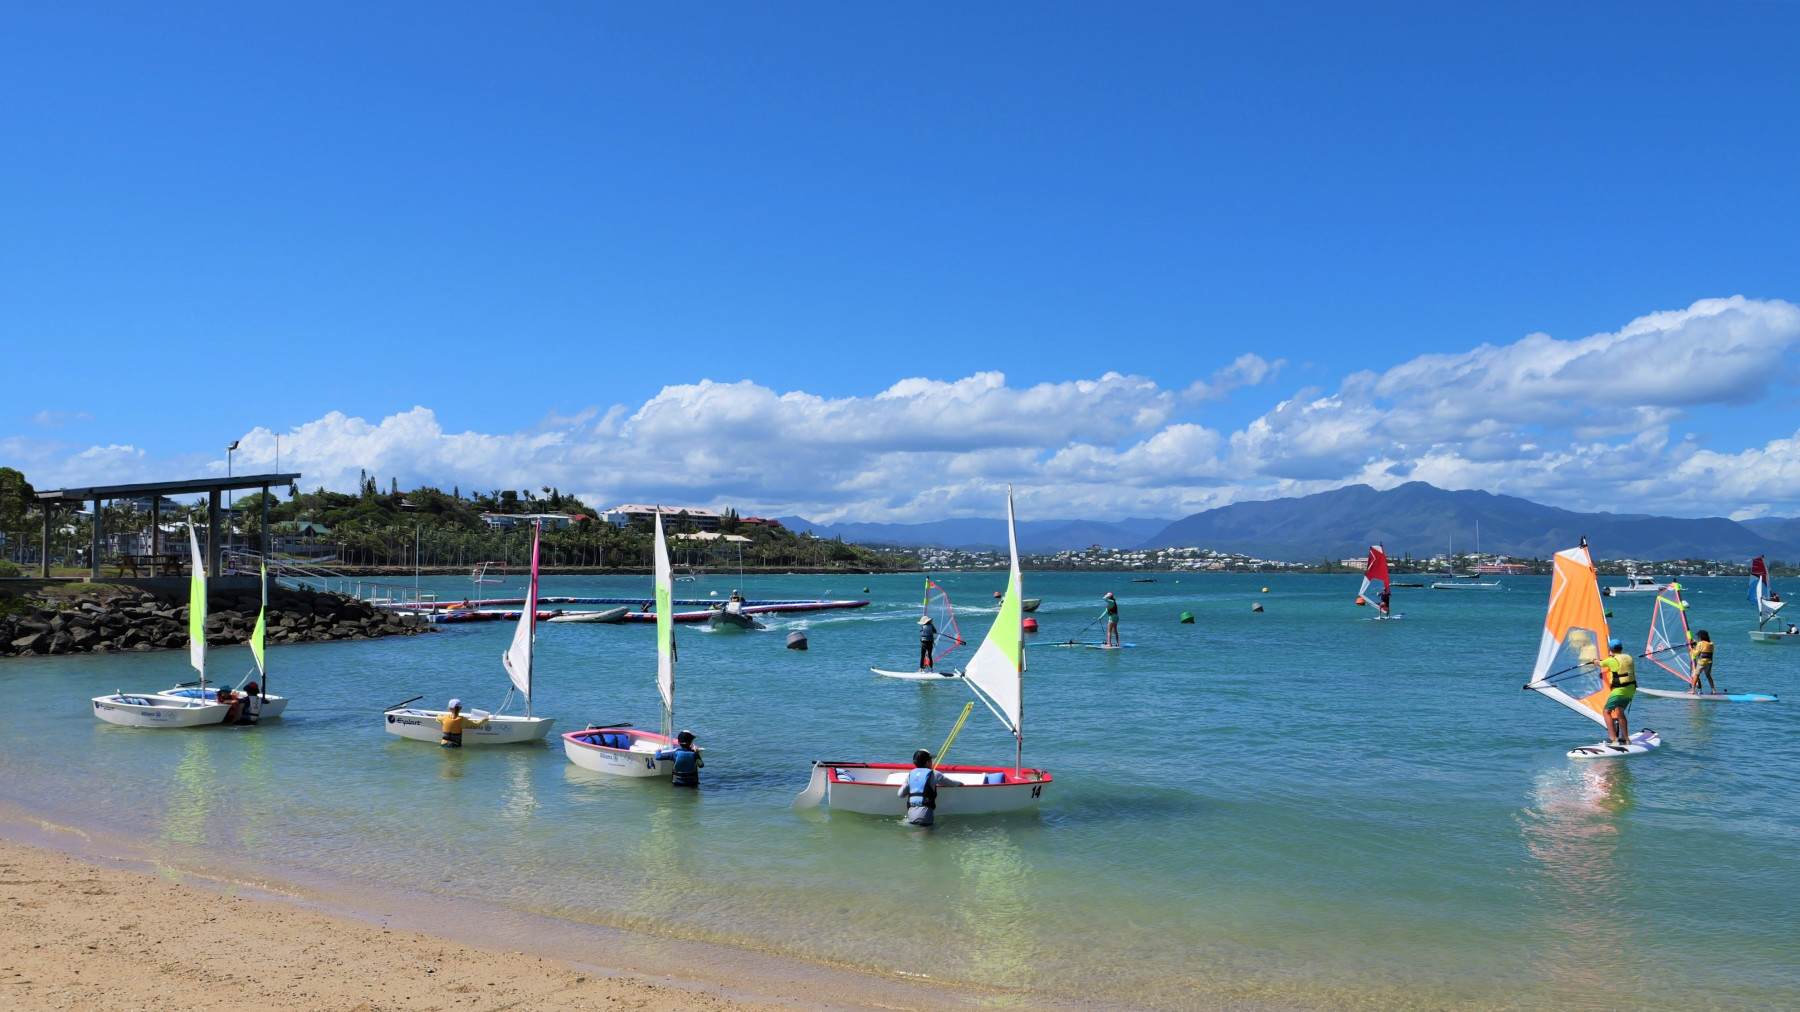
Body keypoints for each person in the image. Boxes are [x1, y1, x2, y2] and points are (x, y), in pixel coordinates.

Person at [898, 749, 961, 827]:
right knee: (929, 831)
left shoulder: (910, 774)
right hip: (925, 814)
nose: (932, 762)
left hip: (911, 814)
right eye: (931, 760)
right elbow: (951, 783)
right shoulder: (934, 774)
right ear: (927, 762)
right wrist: (960, 783)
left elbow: (900, 794)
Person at [1598, 639, 1638, 745]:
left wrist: (1594, 661)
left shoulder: (1610, 660)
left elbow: (1600, 663)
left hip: (1619, 690)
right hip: (1631, 689)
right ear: (1622, 648)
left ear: (1609, 649)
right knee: (1620, 712)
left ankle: (1614, 739)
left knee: (1606, 712)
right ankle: (1626, 739)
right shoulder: (1629, 657)